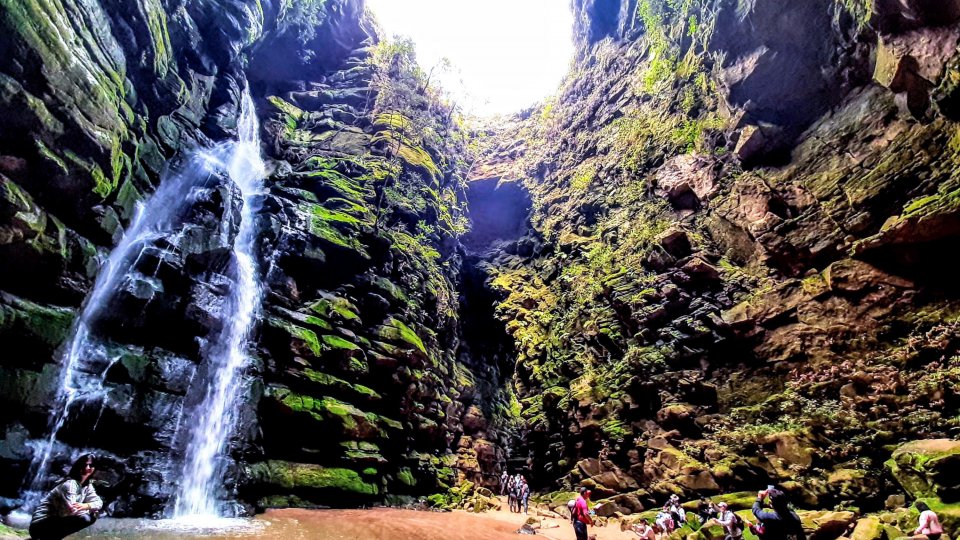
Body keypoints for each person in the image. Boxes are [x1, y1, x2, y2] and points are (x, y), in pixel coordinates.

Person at [29, 454, 103, 540]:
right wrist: (89, 508)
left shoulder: (87, 486)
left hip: (54, 522)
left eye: (91, 465)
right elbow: (70, 511)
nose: (87, 468)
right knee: (85, 518)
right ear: (78, 466)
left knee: (92, 516)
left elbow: (99, 502)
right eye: (85, 464)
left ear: (95, 468)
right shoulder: (70, 484)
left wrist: (86, 506)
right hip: (38, 526)